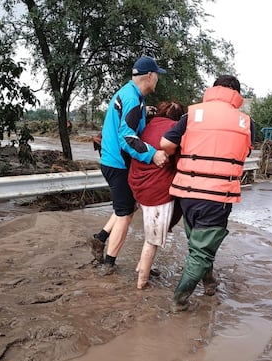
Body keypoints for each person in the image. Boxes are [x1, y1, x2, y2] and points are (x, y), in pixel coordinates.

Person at [160, 75, 254, 310]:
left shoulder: (191, 114)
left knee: (198, 244)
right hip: (218, 196)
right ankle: (179, 301)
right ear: (236, 94)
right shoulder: (245, 122)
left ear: (213, 90)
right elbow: (246, 152)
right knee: (201, 251)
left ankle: (209, 282)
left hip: (187, 193)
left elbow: (165, 144)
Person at [89, 55, 168, 275]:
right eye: (157, 76)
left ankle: (100, 238)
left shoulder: (130, 94)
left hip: (111, 160)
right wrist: (152, 155)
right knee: (125, 213)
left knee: (128, 206)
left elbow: (129, 118)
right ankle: (108, 263)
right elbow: (127, 136)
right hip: (118, 164)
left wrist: (147, 111)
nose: (157, 81)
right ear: (150, 76)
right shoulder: (133, 100)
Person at [128, 100, 185, 289]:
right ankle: (141, 283)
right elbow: (179, 162)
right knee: (152, 240)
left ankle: (141, 268)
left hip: (138, 186)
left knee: (151, 232)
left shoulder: (147, 125)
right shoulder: (174, 131)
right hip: (157, 191)